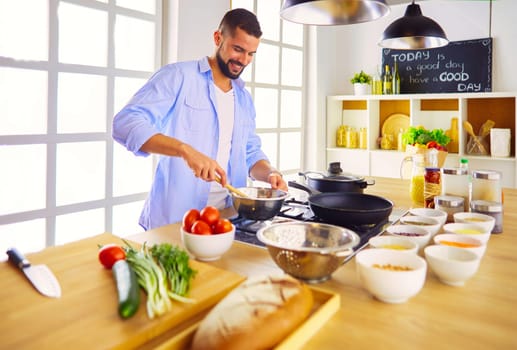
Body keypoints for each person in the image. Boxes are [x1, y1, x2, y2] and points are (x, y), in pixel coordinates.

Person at [112, 8, 288, 230]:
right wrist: (185, 150)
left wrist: (270, 173)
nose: (243, 60)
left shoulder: (244, 98)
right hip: (175, 221)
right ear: (218, 38)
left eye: (251, 54)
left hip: (227, 219)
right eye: (238, 49)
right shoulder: (178, 76)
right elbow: (125, 123)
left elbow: (250, 153)